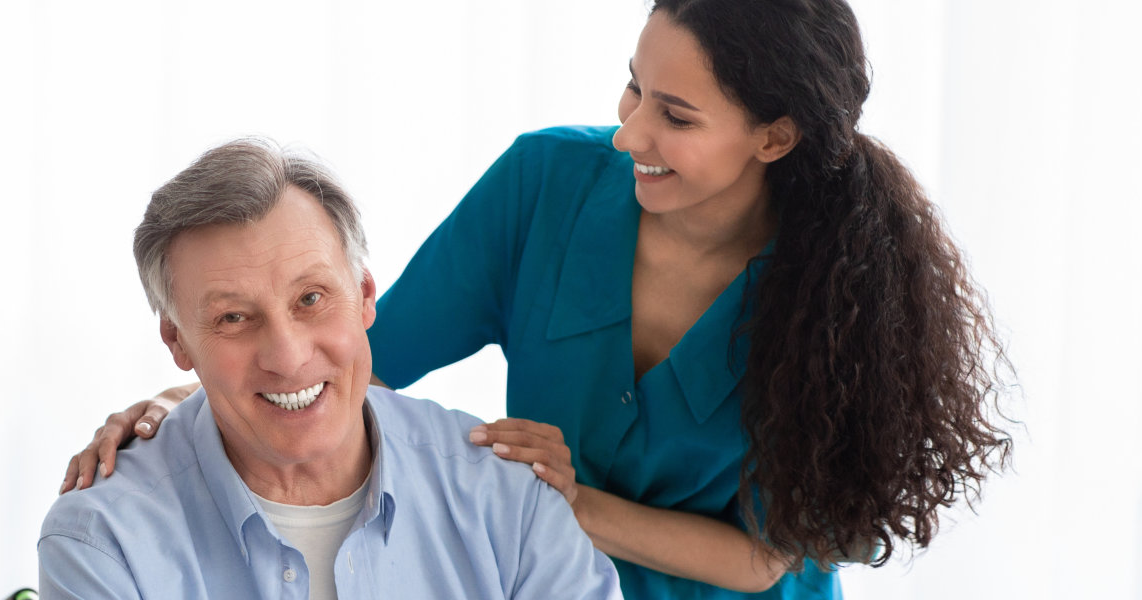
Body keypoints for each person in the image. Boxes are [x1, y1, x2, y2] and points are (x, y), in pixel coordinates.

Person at [62, 1, 1011, 598]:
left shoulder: (831, 291)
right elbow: (350, 345)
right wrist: (176, 410)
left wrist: (542, 503)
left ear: (773, 138)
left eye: (675, 117)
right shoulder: (546, 185)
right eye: (634, 89)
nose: (628, 131)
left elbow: (763, 560)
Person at [37, 138, 622, 600]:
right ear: (176, 341)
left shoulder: (509, 500)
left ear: (366, 295)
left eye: (311, 299)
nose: (289, 356)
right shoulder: (101, 540)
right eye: (235, 317)